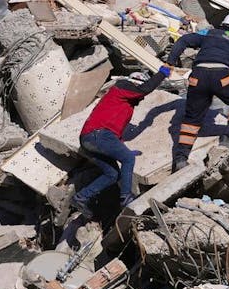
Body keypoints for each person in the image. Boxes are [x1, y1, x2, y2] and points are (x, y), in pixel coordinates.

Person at [69, 67, 171, 219]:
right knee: (128, 159)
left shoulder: (122, 102)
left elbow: (114, 133)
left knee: (112, 174)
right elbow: (145, 89)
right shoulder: (123, 86)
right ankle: (126, 197)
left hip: (90, 139)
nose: (140, 98)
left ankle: (81, 197)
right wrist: (162, 73)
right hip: (98, 135)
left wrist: (124, 149)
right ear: (136, 83)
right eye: (139, 94)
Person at [166, 13, 229, 171]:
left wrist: (170, 61)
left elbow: (183, 40)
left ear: (222, 26)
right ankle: (228, 139)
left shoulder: (208, 34)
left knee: (191, 120)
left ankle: (181, 159)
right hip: (222, 79)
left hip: (197, 78)